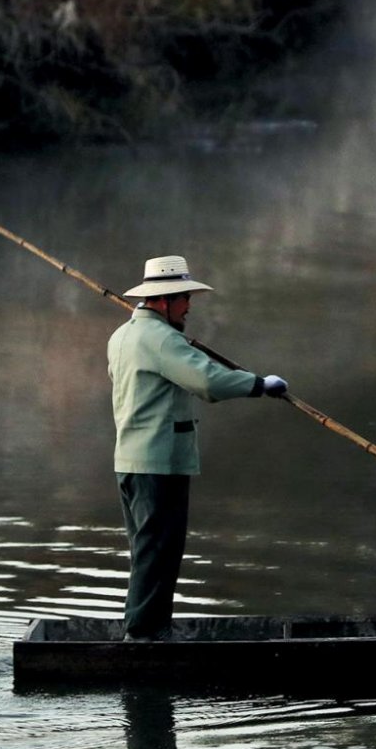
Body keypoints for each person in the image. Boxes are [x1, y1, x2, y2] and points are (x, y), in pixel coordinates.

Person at [107, 254, 288, 642]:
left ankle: (147, 629)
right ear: (163, 300)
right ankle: (143, 636)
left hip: (131, 461)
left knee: (147, 551)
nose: (189, 305)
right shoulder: (159, 339)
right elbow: (206, 381)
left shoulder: (123, 336)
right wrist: (259, 385)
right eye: (184, 297)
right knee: (159, 553)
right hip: (159, 463)